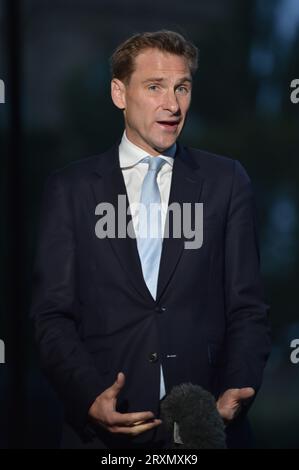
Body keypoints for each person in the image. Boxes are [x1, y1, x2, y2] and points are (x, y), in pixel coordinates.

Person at [31, 30, 271, 449]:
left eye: (182, 88)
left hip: (207, 430)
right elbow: (51, 317)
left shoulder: (226, 182)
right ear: (119, 93)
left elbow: (248, 307)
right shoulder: (70, 190)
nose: (173, 105)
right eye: (155, 87)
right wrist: (89, 397)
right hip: (103, 435)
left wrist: (236, 392)